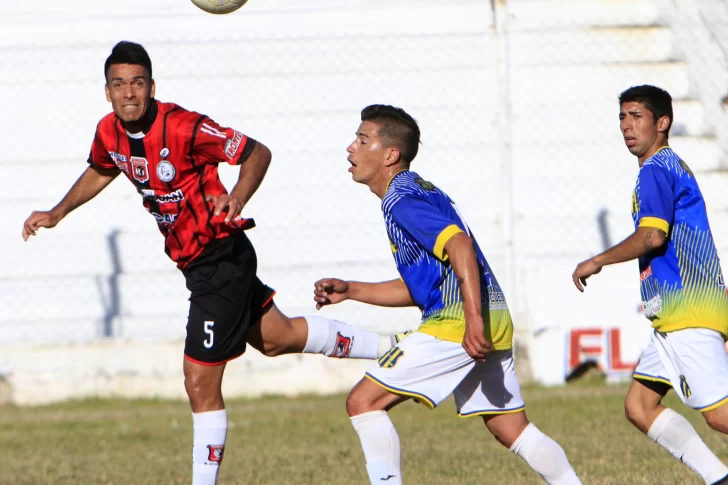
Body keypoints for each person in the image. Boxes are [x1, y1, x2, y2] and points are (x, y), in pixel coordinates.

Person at [21, 41, 391, 485]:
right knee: (277, 338)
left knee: (198, 381)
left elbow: (258, 152)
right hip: (197, 265)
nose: (129, 93)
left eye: (137, 83)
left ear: (151, 86)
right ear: (107, 92)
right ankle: (394, 348)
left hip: (220, 257)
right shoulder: (109, 133)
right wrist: (59, 211)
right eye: (119, 85)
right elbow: (104, 167)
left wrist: (236, 197)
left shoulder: (183, 127)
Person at [313, 104, 581, 485]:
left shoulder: (399, 200)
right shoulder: (419, 189)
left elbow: (459, 245)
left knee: (363, 402)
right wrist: (352, 290)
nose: (350, 149)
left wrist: (471, 321)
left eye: (361, 140)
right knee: (511, 428)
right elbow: (426, 285)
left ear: (390, 155)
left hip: (458, 323)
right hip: (488, 314)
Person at [572, 84, 728, 485]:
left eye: (636, 116)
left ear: (663, 123)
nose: (626, 125)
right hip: (676, 317)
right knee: (640, 406)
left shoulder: (656, 170)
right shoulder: (669, 167)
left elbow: (652, 236)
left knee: (719, 415)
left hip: (687, 315)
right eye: (622, 117)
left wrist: (598, 260)